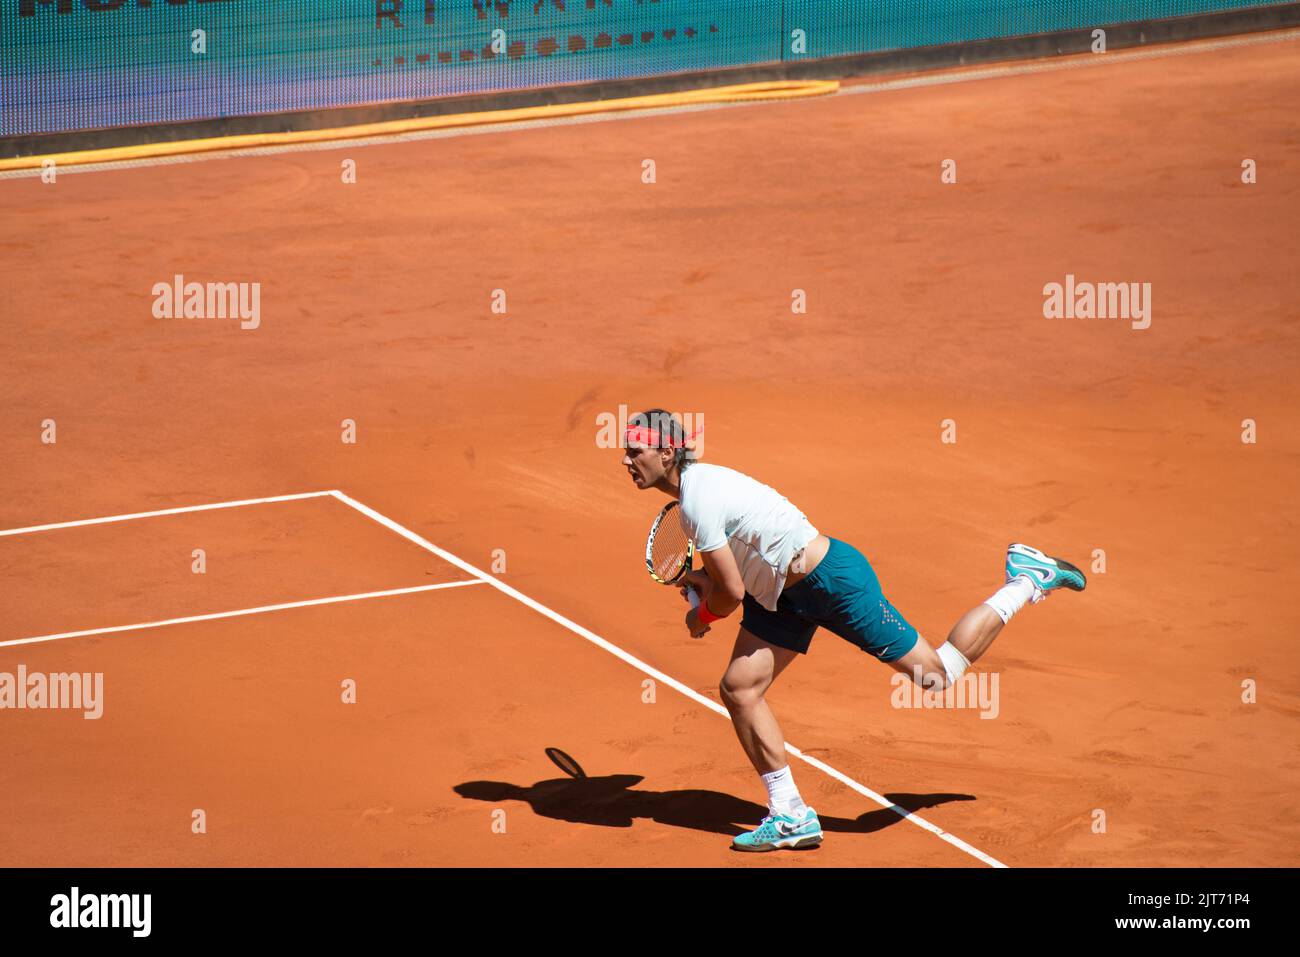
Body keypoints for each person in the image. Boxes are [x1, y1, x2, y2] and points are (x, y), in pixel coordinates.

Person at [621, 408, 1086, 851]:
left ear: (667, 454)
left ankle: (1027, 579)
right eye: (624, 450)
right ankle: (790, 814)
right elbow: (727, 574)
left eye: (635, 450)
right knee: (740, 689)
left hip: (831, 583)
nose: (626, 459)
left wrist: (701, 616)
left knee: (936, 674)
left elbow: (731, 594)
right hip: (782, 597)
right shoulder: (695, 498)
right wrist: (703, 584)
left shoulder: (699, 499)